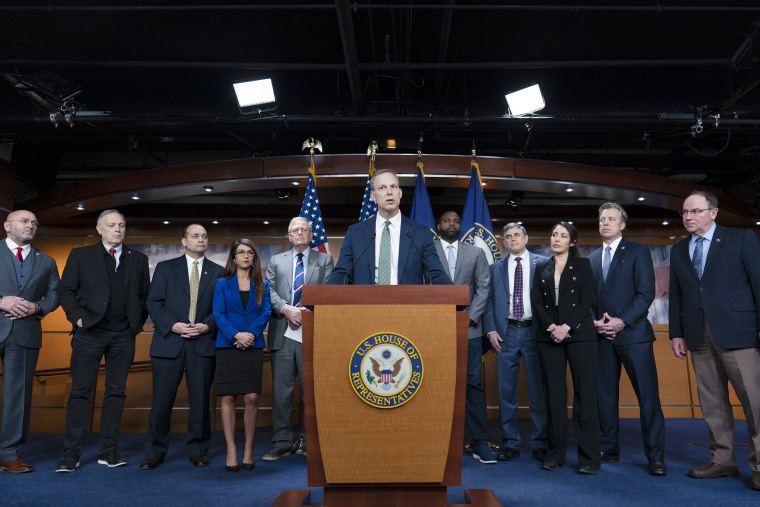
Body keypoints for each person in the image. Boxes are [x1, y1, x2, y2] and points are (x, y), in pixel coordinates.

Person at [669, 190, 760, 491]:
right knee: (712, 403)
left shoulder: (741, 238)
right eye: (684, 213)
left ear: (713, 212)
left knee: (754, 402)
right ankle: (722, 460)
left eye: (694, 211)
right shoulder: (679, 250)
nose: (688, 217)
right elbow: (677, 294)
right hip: (697, 334)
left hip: (740, 332)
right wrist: (676, 333)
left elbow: (758, 282)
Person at [56, 209, 150, 472]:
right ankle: (71, 454)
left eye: (121, 225)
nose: (117, 229)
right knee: (80, 393)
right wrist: (77, 318)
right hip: (89, 333)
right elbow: (65, 290)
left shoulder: (139, 259)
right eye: (111, 225)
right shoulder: (81, 255)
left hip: (123, 335)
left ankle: (109, 451)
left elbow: (145, 296)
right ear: (100, 229)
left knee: (116, 392)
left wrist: (136, 324)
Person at [588, 203, 666, 476]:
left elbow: (646, 293)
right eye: (602, 219)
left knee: (648, 398)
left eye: (611, 219)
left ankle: (655, 457)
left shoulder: (638, 251)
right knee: (605, 399)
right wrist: (595, 323)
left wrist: (622, 321)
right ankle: (608, 449)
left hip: (633, 336)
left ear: (622, 225)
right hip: (602, 338)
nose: (605, 223)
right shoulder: (592, 258)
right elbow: (587, 299)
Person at [140, 224, 224, 470]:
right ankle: (154, 452)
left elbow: (221, 308)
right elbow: (153, 303)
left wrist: (207, 326)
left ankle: (198, 450)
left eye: (205, 236)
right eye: (195, 236)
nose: (201, 239)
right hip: (169, 343)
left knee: (200, 403)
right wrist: (174, 325)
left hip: (203, 344)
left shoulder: (219, 272)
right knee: (161, 402)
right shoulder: (166, 268)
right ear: (183, 241)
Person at [531, 222, 601, 474]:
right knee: (554, 398)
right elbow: (536, 302)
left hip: (580, 336)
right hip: (548, 337)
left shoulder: (583, 265)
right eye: (553, 234)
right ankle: (554, 454)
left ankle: (589, 459)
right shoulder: (541, 267)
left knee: (585, 397)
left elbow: (586, 301)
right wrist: (551, 326)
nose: (556, 238)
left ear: (572, 242)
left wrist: (566, 327)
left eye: (563, 235)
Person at [263, 217, 333, 462]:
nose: (300, 233)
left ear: (311, 235)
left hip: (312, 331)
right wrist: (286, 309)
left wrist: (306, 312)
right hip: (283, 331)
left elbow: (328, 291)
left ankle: (309, 441)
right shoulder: (276, 260)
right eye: (295, 230)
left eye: (304, 229)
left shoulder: (324, 259)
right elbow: (267, 291)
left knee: (312, 392)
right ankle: (281, 442)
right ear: (289, 236)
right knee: (282, 393)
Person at [483, 223, 549, 463]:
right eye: (508, 237)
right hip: (506, 332)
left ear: (526, 238)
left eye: (517, 235)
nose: (513, 239)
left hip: (535, 332)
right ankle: (510, 443)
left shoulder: (542, 263)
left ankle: (541, 443)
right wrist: (490, 329)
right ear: (504, 242)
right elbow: (488, 301)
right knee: (506, 391)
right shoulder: (495, 268)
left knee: (538, 391)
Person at [0, 210, 59, 474]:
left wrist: (36, 307)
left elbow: (55, 296)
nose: (31, 225)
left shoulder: (46, 261)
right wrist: (0, 301)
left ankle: (8, 454)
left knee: (17, 396)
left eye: (34, 222)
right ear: (7, 226)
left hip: (25, 334)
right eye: (25, 221)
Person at [434, 211, 494, 464]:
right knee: (434, 385)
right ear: (438, 226)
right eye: (446, 220)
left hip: (469, 328)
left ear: (461, 226)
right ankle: (437, 441)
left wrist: (470, 317)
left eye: (456, 221)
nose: (451, 224)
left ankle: (480, 441)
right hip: (434, 329)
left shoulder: (475, 252)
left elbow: (484, 287)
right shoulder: (428, 251)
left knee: (472, 385)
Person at [326, 169, 450, 285]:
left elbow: (435, 274)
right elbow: (342, 273)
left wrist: (456, 296)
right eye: (382, 188)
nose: (389, 192)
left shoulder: (420, 233)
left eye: (393, 187)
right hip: (366, 305)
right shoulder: (356, 233)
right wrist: (320, 299)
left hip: (407, 306)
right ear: (373, 196)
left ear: (400, 193)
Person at [213, 239, 271, 472]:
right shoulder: (222, 284)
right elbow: (218, 313)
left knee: (251, 398)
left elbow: (265, 313)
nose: (246, 256)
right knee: (227, 398)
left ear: (254, 258)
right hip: (228, 345)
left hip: (253, 346)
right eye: (241, 252)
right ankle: (231, 449)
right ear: (234, 258)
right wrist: (236, 335)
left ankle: (248, 449)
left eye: (250, 253)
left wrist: (250, 335)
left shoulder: (263, 284)